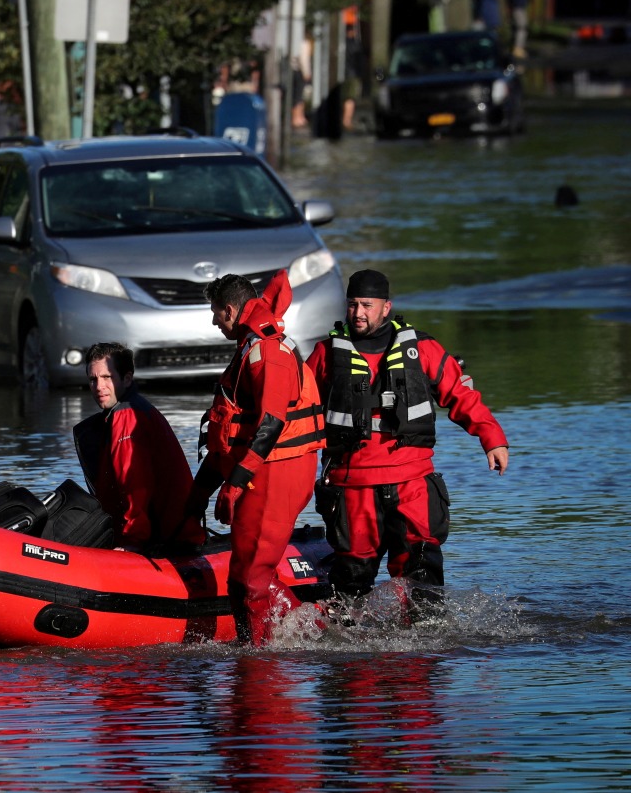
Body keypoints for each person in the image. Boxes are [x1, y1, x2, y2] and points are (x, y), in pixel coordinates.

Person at [305, 269, 509, 612]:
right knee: (351, 581)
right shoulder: (326, 355)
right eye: (353, 305)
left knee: (423, 574)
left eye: (367, 305)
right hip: (353, 484)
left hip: (411, 481)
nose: (358, 313)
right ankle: (349, 654)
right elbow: (297, 409)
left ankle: (424, 652)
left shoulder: (423, 348)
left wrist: (492, 438)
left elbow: (460, 395)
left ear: (386, 307)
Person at [181, 271, 326, 646]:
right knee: (250, 570)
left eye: (215, 313)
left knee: (249, 578)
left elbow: (271, 423)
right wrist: (201, 494)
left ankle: (257, 662)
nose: (214, 322)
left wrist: (235, 483)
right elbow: (234, 429)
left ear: (230, 310)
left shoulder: (268, 352)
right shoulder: (252, 346)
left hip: (275, 471)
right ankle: (313, 632)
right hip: (265, 468)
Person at [72, 343, 205, 554]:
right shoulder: (130, 409)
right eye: (93, 379)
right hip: (168, 534)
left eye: (107, 377)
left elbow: (135, 485)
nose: (99, 387)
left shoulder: (127, 416)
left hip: (167, 542)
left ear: (126, 378)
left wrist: (133, 541)